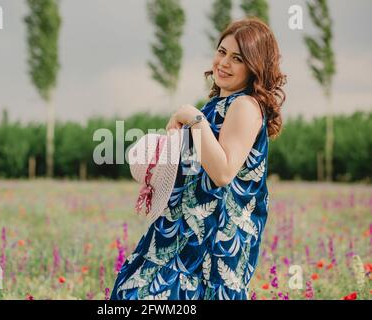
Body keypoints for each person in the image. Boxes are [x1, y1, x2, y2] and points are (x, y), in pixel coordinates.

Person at [110, 17, 286, 300]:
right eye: (221, 52)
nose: (224, 63)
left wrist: (192, 117)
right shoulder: (216, 105)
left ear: (254, 67)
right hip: (182, 233)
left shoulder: (244, 105)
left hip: (211, 246)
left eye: (237, 58)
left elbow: (223, 172)